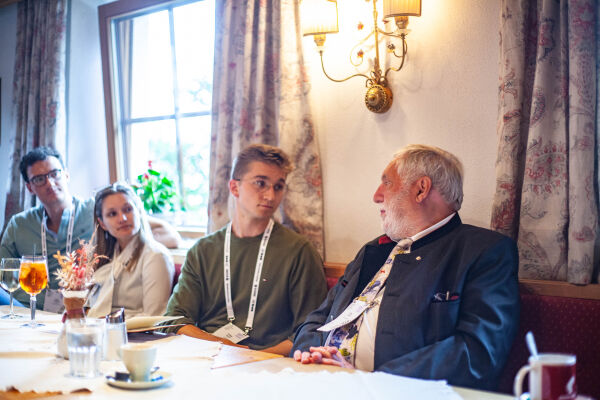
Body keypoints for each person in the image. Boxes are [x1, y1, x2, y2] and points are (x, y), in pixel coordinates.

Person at [292, 144, 520, 391]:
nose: (377, 196)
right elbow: (320, 317)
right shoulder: (374, 250)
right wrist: (310, 355)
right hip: (322, 384)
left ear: (421, 189)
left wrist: (371, 380)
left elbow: (478, 351)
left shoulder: (485, 251)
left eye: (386, 183)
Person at [164, 144, 327, 356]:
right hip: (208, 359)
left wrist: (252, 358)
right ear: (234, 187)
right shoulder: (202, 250)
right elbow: (175, 321)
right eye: (260, 183)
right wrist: (223, 348)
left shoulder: (299, 251)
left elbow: (309, 332)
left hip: (269, 364)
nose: (270, 195)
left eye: (278, 186)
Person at [0, 146, 181, 311]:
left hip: (81, 304)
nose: (49, 183)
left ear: (66, 175)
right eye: (39, 179)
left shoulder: (98, 209)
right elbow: (4, 274)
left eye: (55, 173)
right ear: (29, 187)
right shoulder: (19, 224)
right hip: (29, 305)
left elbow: (166, 234)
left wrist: (131, 244)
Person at [87, 183, 174, 318]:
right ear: (102, 223)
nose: (122, 218)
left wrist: (110, 323)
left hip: (136, 335)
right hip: (101, 330)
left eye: (128, 209)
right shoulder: (104, 257)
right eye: (112, 214)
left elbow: (154, 317)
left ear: (138, 211)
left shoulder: (155, 256)